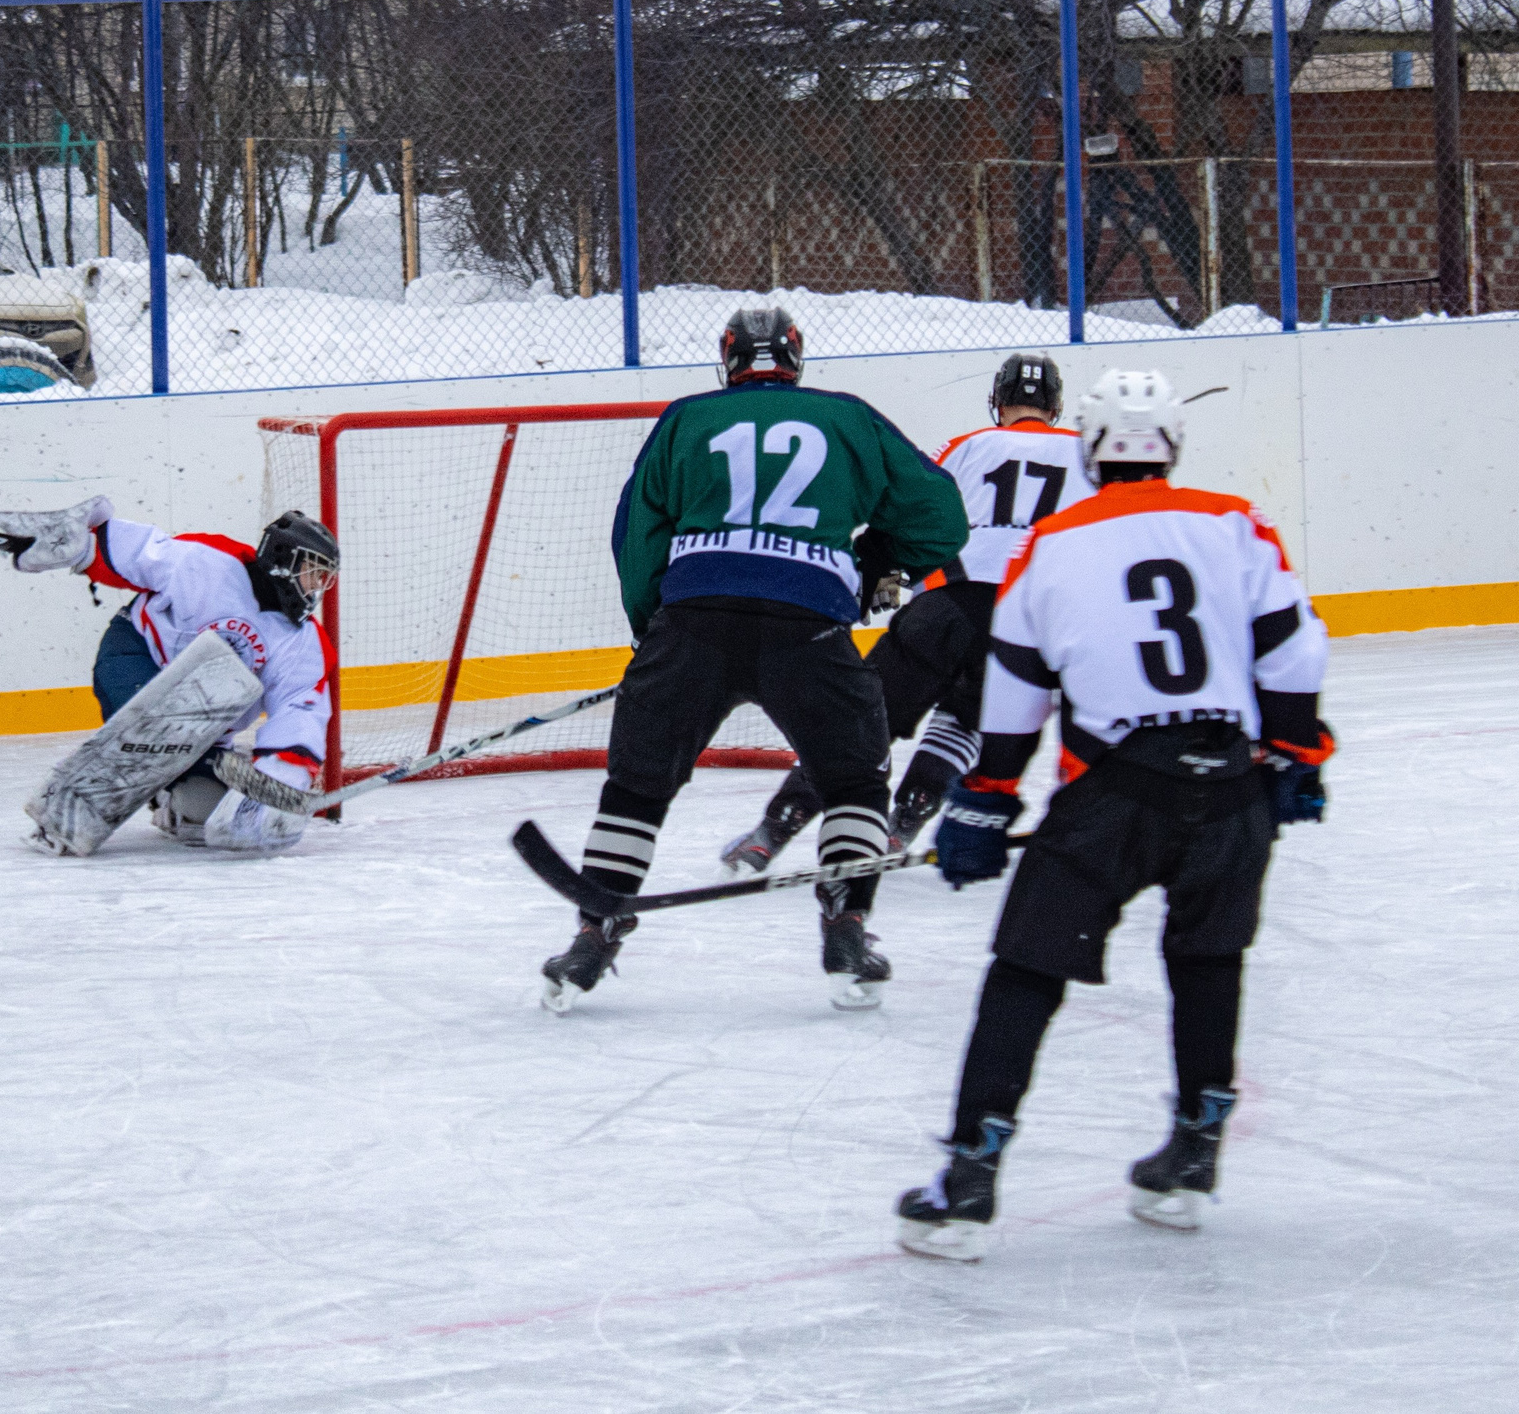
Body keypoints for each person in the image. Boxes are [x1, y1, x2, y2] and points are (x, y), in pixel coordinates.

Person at [891, 368, 1334, 1263]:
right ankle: (1195, 1151)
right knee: (1208, 961)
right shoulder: (1235, 524)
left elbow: (1015, 687)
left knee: (1025, 971)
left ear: (1092, 450)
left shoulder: (1053, 543)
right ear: (1171, 446)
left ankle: (971, 1176)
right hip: (1231, 784)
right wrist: (1296, 755)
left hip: (1117, 792)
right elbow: (1292, 645)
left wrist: (985, 801)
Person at [540, 305, 971, 1013]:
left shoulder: (687, 418)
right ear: (795, 360)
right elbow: (942, 516)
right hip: (808, 625)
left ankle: (595, 930)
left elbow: (638, 535)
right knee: (857, 781)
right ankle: (847, 923)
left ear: (729, 360)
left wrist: (656, 631)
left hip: (695, 620)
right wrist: (873, 562)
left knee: (637, 787)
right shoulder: (848, 417)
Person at [717, 350, 1092, 876]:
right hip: (1026, 620)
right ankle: (904, 824)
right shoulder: (1086, 456)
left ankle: (772, 831)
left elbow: (918, 509)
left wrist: (889, 573)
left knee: (859, 725)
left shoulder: (965, 446)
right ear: (1054, 405)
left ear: (997, 401)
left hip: (945, 604)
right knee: (966, 718)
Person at [0, 498, 339, 856]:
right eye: (313, 571)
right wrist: (80, 547)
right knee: (157, 726)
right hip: (136, 653)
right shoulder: (212, 562)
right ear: (284, 560)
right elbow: (141, 554)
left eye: (323, 577)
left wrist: (278, 785)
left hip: (201, 729)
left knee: (203, 812)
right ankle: (71, 812)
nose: (316, 586)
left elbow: (300, 712)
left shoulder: (302, 643)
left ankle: (171, 795)